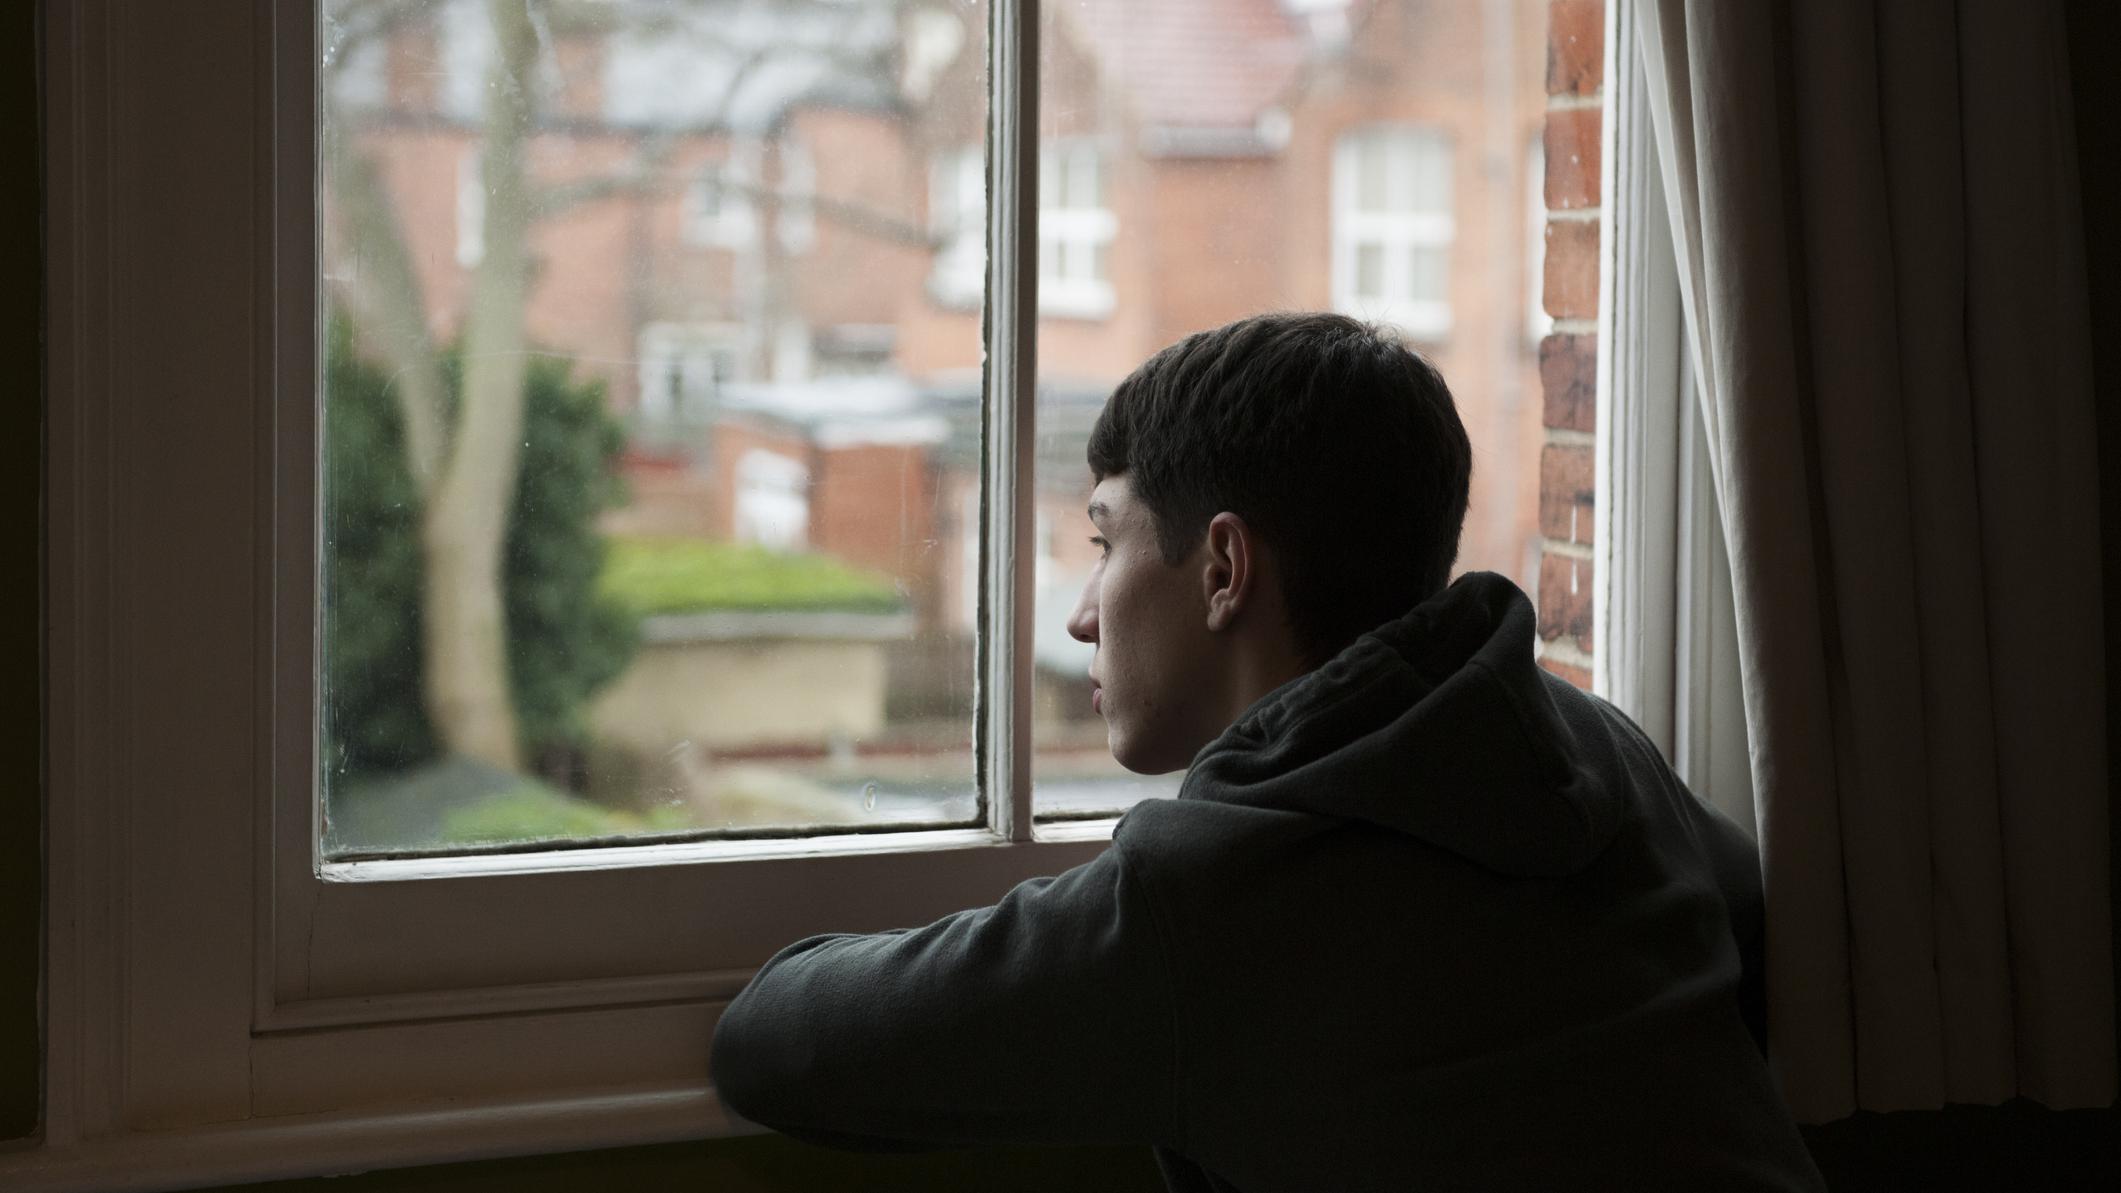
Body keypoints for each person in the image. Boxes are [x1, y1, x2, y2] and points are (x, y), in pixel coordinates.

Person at [708, 312, 1827, 1192]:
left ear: (1224, 569)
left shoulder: (1209, 903)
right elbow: (1735, 903)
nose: (1082, 613)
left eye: (1103, 541)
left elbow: (773, 1043)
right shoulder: (1589, 745)